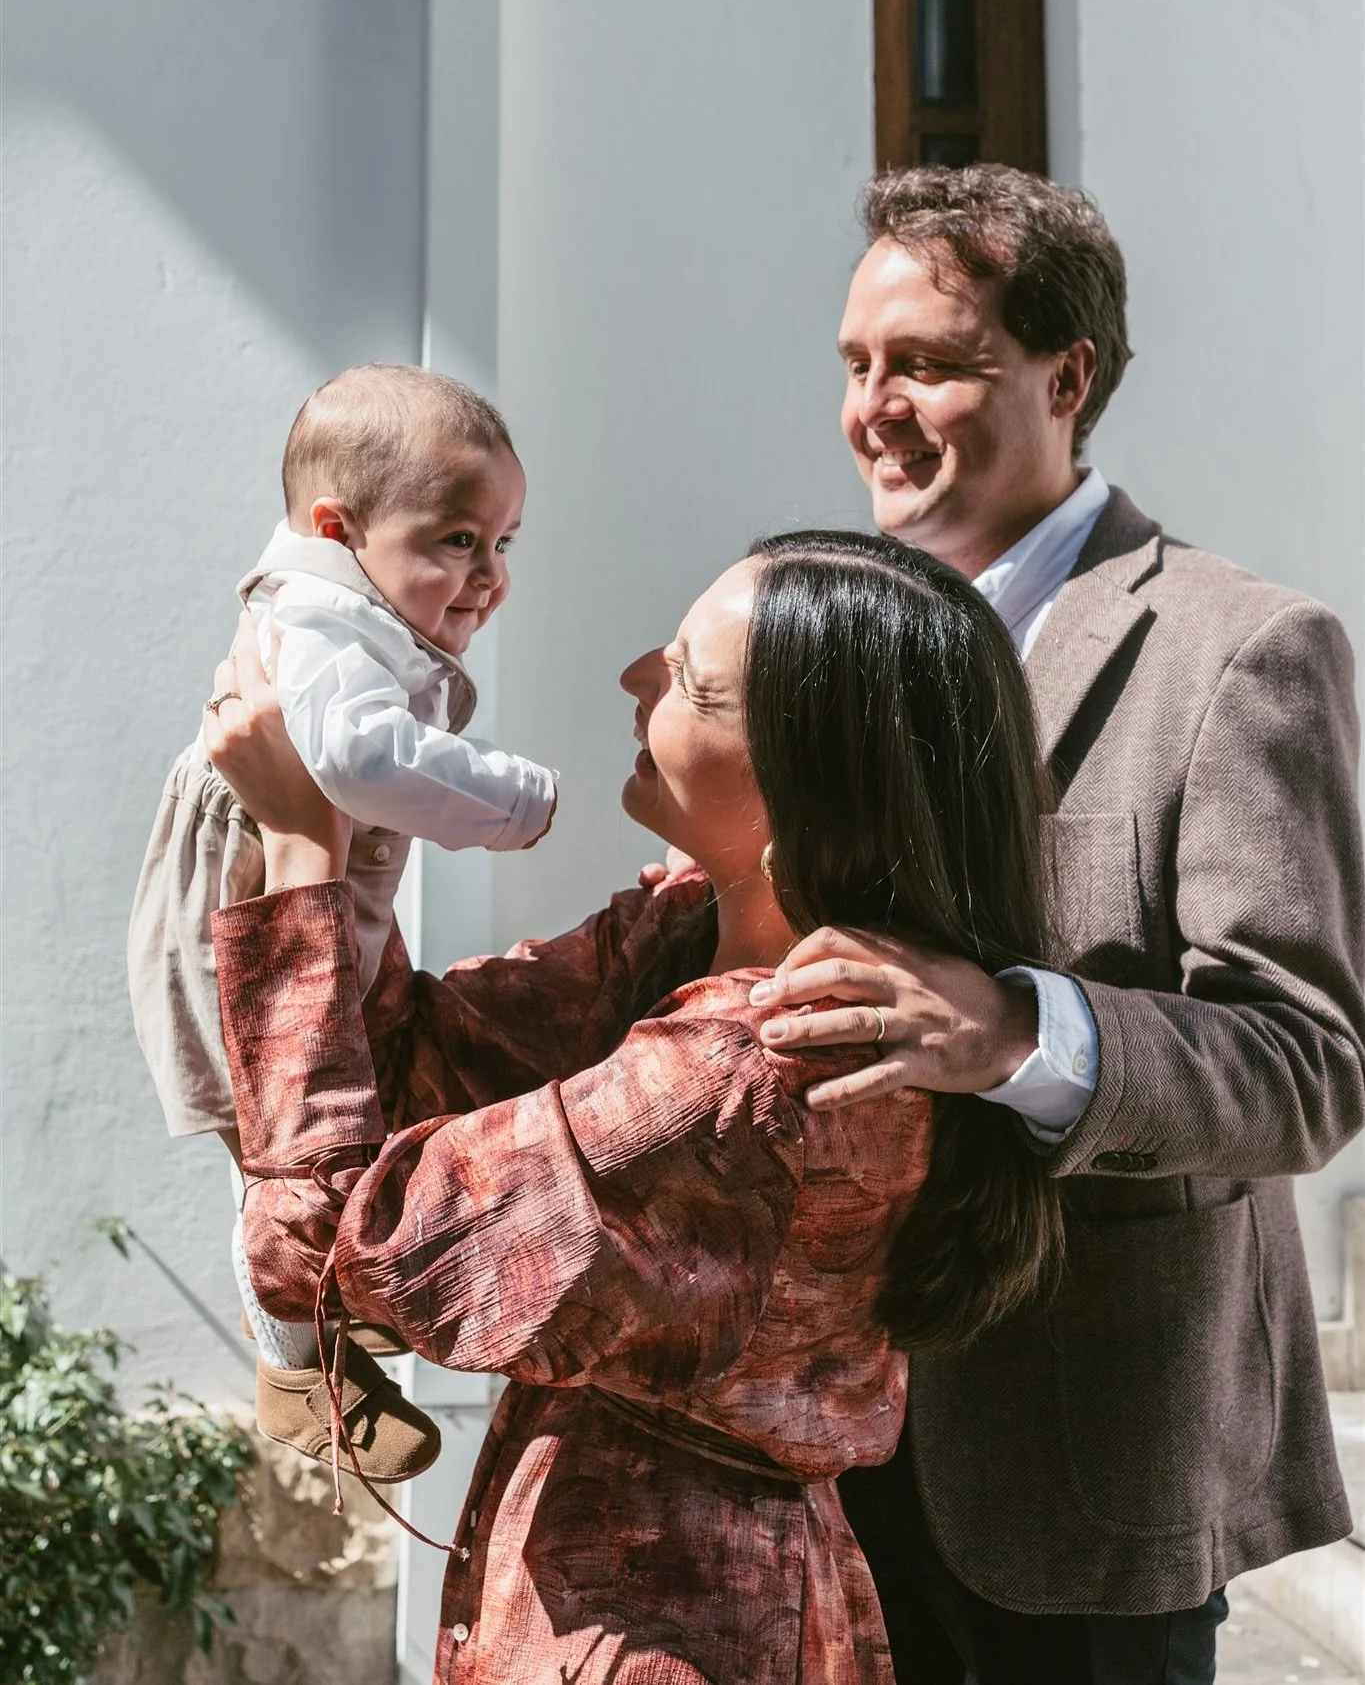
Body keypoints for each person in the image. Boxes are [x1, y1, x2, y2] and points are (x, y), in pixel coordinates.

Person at [203, 531, 1063, 1682]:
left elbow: (348, 1239)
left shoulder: (760, 1067)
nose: (636, 680)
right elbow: (415, 1061)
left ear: (806, 791)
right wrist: (361, 811)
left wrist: (302, 846)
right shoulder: (686, 929)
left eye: (693, 682)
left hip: (665, 1626)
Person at [746, 165, 1365, 1683]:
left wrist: (1024, 1032)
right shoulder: (822, 634)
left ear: (1065, 373)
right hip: (813, 1443)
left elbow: (1306, 1066)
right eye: (855, 365)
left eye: (928, 364)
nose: (873, 408)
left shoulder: (1241, 650)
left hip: (1082, 1468)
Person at [127, 363, 557, 1482]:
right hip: (252, 901)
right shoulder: (321, 618)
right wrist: (512, 800)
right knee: (269, 1136)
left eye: (504, 543)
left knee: (341, 1115)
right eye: (457, 540)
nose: (487, 576)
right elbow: (358, 761)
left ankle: (323, 1308)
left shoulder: (351, 609)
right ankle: (291, 1363)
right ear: (339, 526)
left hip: (307, 890)